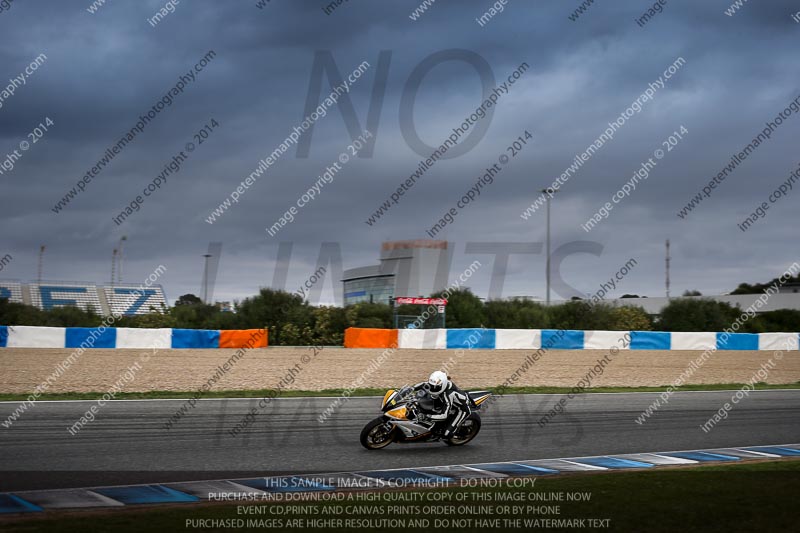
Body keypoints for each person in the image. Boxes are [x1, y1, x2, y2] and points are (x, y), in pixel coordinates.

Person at [414, 370, 471, 438]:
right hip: (446, 401)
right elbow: (423, 385)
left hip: (461, 409)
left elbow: (444, 415)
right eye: (432, 386)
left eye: (435, 387)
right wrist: (411, 389)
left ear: (442, 385)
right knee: (428, 405)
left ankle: (459, 434)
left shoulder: (448, 394)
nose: (433, 388)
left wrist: (427, 417)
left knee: (446, 434)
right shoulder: (437, 384)